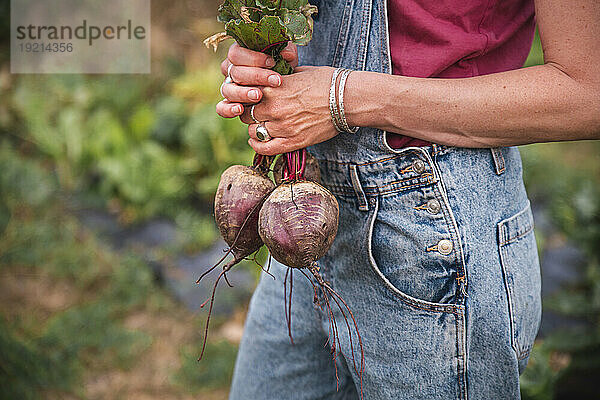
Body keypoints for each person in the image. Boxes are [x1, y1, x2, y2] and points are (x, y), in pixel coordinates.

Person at [216, 0, 600, 398]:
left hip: (432, 234)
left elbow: (587, 92)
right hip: (306, 218)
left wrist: (343, 97)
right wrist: (269, 59)